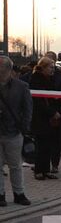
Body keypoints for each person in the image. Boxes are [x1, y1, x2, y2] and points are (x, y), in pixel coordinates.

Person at [0, 55, 33, 206]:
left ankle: (19, 193)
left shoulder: (21, 87)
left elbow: (27, 109)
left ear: (7, 69)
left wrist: (24, 128)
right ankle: (0, 195)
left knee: (15, 166)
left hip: (14, 132)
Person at [29, 58, 61, 180]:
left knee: (49, 144)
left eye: (53, 67)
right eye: (50, 67)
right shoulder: (36, 80)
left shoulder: (50, 80)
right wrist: (52, 112)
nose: (52, 70)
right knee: (41, 145)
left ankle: (46, 170)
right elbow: (38, 102)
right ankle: (39, 170)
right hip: (40, 117)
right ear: (42, 67)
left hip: (50, 117)